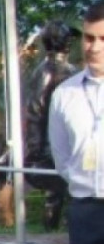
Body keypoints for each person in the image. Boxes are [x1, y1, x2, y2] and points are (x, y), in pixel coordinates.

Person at [48, 0, 104, 244]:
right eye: (88, 38)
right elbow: (62, 155)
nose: (94, 47)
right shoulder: (64, 94)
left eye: (102, 39)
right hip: (87, 212)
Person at [24, 21, 78, 230]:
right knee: (55, 193)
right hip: (50, 148)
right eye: (67, 37)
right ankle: (50, 232)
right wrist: (36, 150)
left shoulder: (70, 69)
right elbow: (36, 112)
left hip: (74, 143)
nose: (70, 41)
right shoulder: (47, 71)